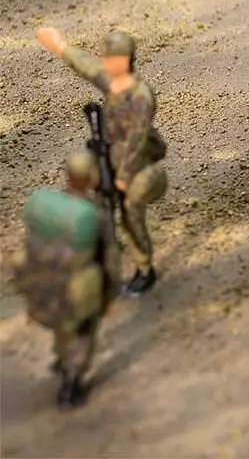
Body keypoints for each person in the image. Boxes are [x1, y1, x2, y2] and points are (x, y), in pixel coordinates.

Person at [36, 27, 168, 294]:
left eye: (112, 59)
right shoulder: (111, 83)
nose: (106, 64)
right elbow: (87, 66)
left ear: (126, 59)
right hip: (111, 158)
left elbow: (137, 141)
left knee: (131, 207)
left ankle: (144, 269)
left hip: (139, 166)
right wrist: (60, 46)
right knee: (90, 191)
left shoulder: (140, 96)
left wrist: (124, 178)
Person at [11, 151, 121, 408]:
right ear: (91, 177)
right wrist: (110, 294)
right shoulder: (94, 215)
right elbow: (110, 258)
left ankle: (61, 360)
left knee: (62, 328)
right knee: (83, 335)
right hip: (79, 288)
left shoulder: (51, 207)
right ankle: (72, 383)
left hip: (50, 283)